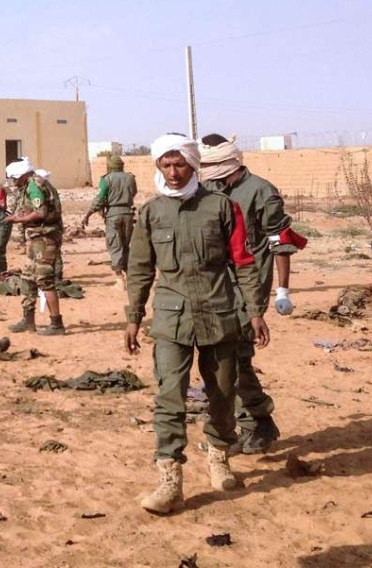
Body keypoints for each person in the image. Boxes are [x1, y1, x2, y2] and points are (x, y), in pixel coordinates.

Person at [124, 134, 268, 514]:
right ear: (158, 166)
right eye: (166, 165)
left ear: (194, 165)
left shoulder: (221, 207)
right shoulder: (151, 213)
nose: (173, 173)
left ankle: (219, 456)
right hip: (171, 320)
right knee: (169, 396)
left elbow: (244, 262)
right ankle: (169, 480)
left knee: (222, 393)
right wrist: (133, 317)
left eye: (180, 165)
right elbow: (139, 269)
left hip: (218, 315)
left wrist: (255, 311)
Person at [199, 134, 307, 454]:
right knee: (221, 357)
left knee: (236, 357)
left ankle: (257, 422)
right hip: (218, 286)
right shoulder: (213, 190)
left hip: (249, 288)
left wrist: (282, 291)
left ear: (227, 163)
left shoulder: (261, 192)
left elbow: (280, 242)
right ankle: (248, 422)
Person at [5, 159, 65, 335]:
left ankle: (56, 323)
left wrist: (18, 220)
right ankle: (28, 320)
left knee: (44, 280)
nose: (13, 182)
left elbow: (41, 212)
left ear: (21, 175)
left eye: (14, 178)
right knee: (28, 278)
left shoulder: (34, 186)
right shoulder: (32, 185)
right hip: (36, 238)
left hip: (44, 238)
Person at [81, 154, 138, 288]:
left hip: (113, 215)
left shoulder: (106, 179)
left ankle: (119, 279)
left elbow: (100, 199)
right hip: (128, 214)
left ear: (110, 166)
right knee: (126, 245)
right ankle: (130, 277)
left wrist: (88, 214)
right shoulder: (130, 178)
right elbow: (133, 192)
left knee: (114, 245)